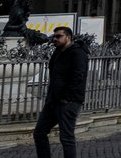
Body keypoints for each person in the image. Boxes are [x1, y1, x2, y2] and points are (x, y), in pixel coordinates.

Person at [23, 23, 85, 158]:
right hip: (53, 100)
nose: (55, 39)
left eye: (59, 36)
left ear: (68, 37)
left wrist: (67, 97)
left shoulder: (78, 53)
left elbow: (78, 77)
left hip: (68, 101)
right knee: (39, 133)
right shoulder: (58, 51)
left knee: (66, 137)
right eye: (54, 36)